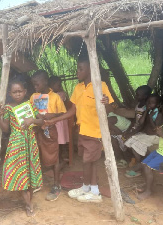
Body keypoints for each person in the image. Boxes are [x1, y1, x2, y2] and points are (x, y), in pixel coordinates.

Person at [46, 55, 113, 203]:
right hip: (82, 131)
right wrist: (55, 119)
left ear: (90, 70)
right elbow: (72, 111)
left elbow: (108, 110)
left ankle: (94, 191)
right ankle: (87, 188)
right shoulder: (78, 88)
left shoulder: (100, 86)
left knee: (90, 161)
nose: (77, 72)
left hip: (95, 132)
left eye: (80, 69)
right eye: (77, 69)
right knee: (87, 161)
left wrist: (107, 103)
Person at [0, 79, 44, 216]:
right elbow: (5, 129)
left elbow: (42, 121)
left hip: (30, 143)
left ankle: (29, 202)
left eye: (20, 91)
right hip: (16, 144)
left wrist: (32, 120)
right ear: (10, 93)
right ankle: (29, 205)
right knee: (21, 172)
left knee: (30, 172)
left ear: (25, 92)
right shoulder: (8, 108)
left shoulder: (30, 105)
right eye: (14, 92)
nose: (17, 94)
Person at [30, 70, 66, 201]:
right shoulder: (33, 96)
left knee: (53, 157)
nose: (35, 87)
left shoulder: (55, 97)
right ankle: (36, 182)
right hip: (36, 130)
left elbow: (63, 113)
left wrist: (53, 115)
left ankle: (56, 185)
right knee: (36, 156)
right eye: (33, 84)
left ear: (45, 82)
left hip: (49, 131)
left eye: (36, 84)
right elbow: (31, 111)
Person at [137, 103, 163, 200]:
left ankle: (148, 191)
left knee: (148, 167)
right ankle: (148, 185)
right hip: (160, 150)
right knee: (144, 164)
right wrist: (159, 130)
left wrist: (162, 135)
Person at [124, 94, 162, 177]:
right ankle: (138, 163)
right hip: (146, 135)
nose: (149, 104)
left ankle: (139, 167)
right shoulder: (147, 110)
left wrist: (151, 118)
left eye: (152, 103)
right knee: (130, 141)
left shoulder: (158, 114)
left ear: (157, 105)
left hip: (154, 137)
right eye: (148, 102)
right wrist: (146, 113)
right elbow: (141, 123)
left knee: (136, 144)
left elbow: (155, 129)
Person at [49, 76, 70, 161]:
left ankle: (62, 156)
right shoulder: (48, 94)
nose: (60, 86)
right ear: (52, 85)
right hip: (52, 120)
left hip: (60, 120)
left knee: (60, 139)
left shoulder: (60, 94)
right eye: (58, 85)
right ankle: (56, 157)